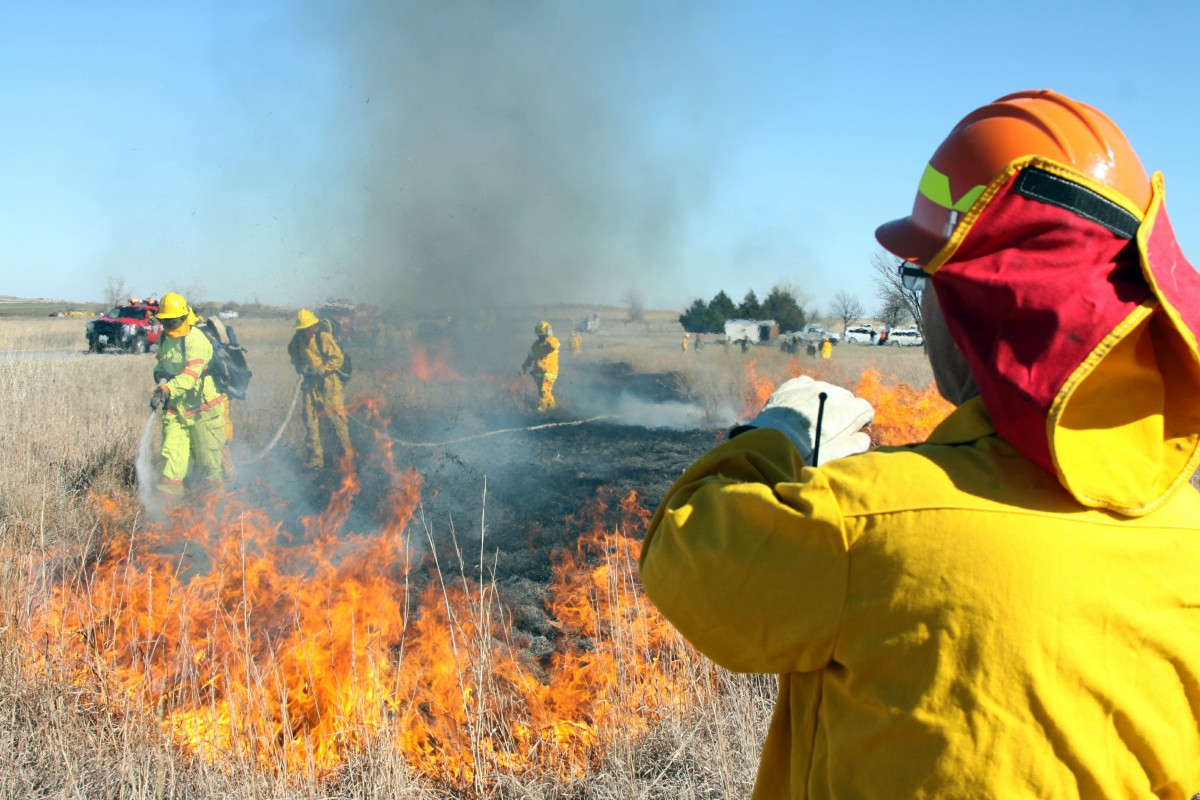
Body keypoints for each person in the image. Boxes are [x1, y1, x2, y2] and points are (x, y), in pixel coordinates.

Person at [639, 89, 1200, 797]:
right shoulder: (1189, 541)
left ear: (971, 302)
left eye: (924, 276)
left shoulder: (868, 524)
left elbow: (683, 557)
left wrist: (776, 434)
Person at [150, 291, 227, 497]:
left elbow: (189, 377)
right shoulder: (165, 339)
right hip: (176, 411)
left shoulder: (196, 340)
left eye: (173, 321)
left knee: (208, 465)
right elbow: (162, 364)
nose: (169, 326)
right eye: (165, 321)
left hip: (204, 412)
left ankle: (215, 512)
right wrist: (159, 376)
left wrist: (167, 389)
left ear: (184, 317)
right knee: (171, 462)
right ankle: (165, 513)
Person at [288, 308, 354, 470]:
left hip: (329, 384)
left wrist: (321, 369)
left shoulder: (323, 338)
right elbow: (295, 359)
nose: (307, 332)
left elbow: (338, 358)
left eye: (310, 329)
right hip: (310, 386)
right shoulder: (295, 343)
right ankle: (316, 460)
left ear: (314, 326)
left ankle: (348, 460)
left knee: (337, 421)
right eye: (303, 330)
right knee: (310, 421)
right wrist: (302, 369)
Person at [520, 320, 560, 412]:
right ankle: (554, 408)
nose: (540, 337)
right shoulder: (536, 344)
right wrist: (525, 365)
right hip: (538, 373)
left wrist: (548, 337)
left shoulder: (552, 341)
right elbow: (531, 356)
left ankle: (541, 411)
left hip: (549, 372)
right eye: (539, 335)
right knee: (546, 392)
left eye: (542, 335)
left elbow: (554, 345)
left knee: (543, 391)